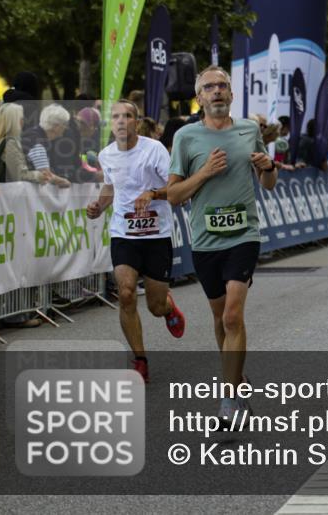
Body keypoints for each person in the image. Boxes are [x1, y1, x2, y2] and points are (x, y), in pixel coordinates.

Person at [167, 66, 278, 421]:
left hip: (243, 235)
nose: (216, 91)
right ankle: (237, 378)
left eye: (222, 86)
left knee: (232, 315)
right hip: (204, 239)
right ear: (198, 98)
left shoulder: (249, 130)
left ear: (231, 94)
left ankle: (228, 397)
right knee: (220, 318)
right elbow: (173, 195)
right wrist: (204, 173)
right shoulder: (186, 137)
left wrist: (269, 165)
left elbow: (269, 183)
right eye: (209, 87)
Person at [86, 99, 186, 383]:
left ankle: (167, 307)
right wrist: (99, 206)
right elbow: (110, 187)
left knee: (155, 306)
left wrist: (152, 194)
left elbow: (176, 188)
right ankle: (140, 359)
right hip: (124, 234)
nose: (120, 121)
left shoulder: (153, 150)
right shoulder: (106, 155)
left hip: (156, 235)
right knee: (127, 292)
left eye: (127, 116)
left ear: (136, 121)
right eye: (115, 116)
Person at [0, 103, 50, 185]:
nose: (23, 122)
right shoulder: (10, 143)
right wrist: (39, 175)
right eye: (21, 119)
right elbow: (19, 175)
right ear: (14, 121)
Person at [22, 104, 73, 187]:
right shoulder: (37, 142)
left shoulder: (34, 134)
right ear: (57, 126)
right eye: (65, 124)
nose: (66, 128)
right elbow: (46, 175)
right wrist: (63, 181)